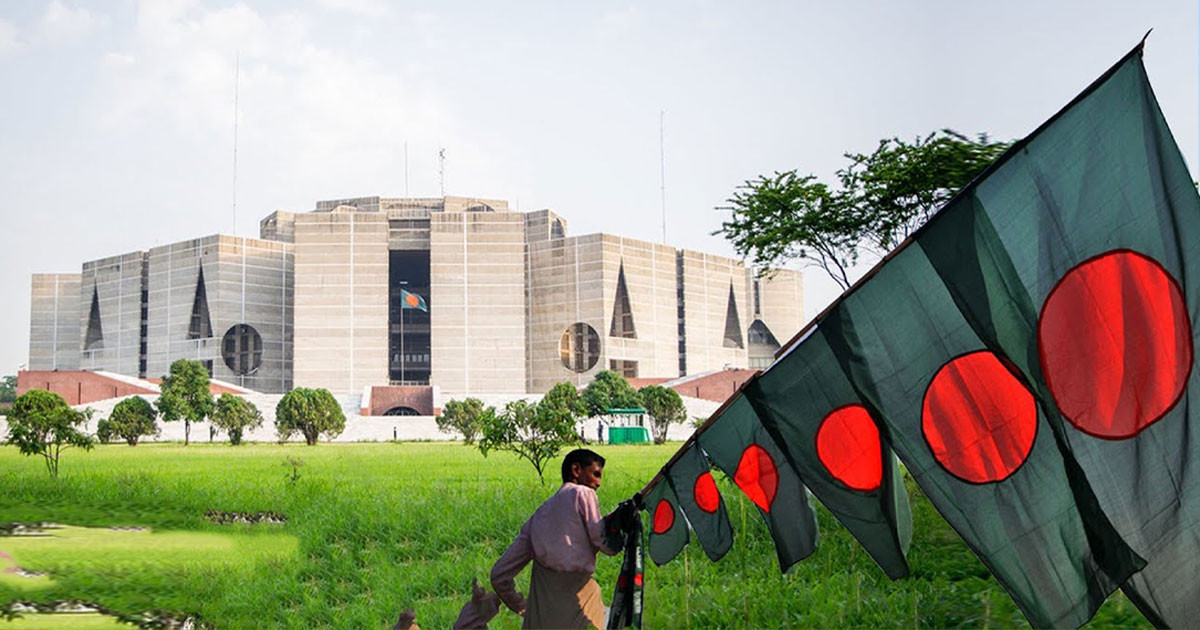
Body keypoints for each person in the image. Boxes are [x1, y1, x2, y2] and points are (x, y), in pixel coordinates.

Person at [490, 449, 621, 629]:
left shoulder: (537, 517)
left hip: (539, 617)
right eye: (596, 474)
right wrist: (621, 528)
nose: (598, 483)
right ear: (576, 470)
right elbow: (601, 540)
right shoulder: (583, 493)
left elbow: (498, 575)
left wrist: (523, 608)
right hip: (577, 604)